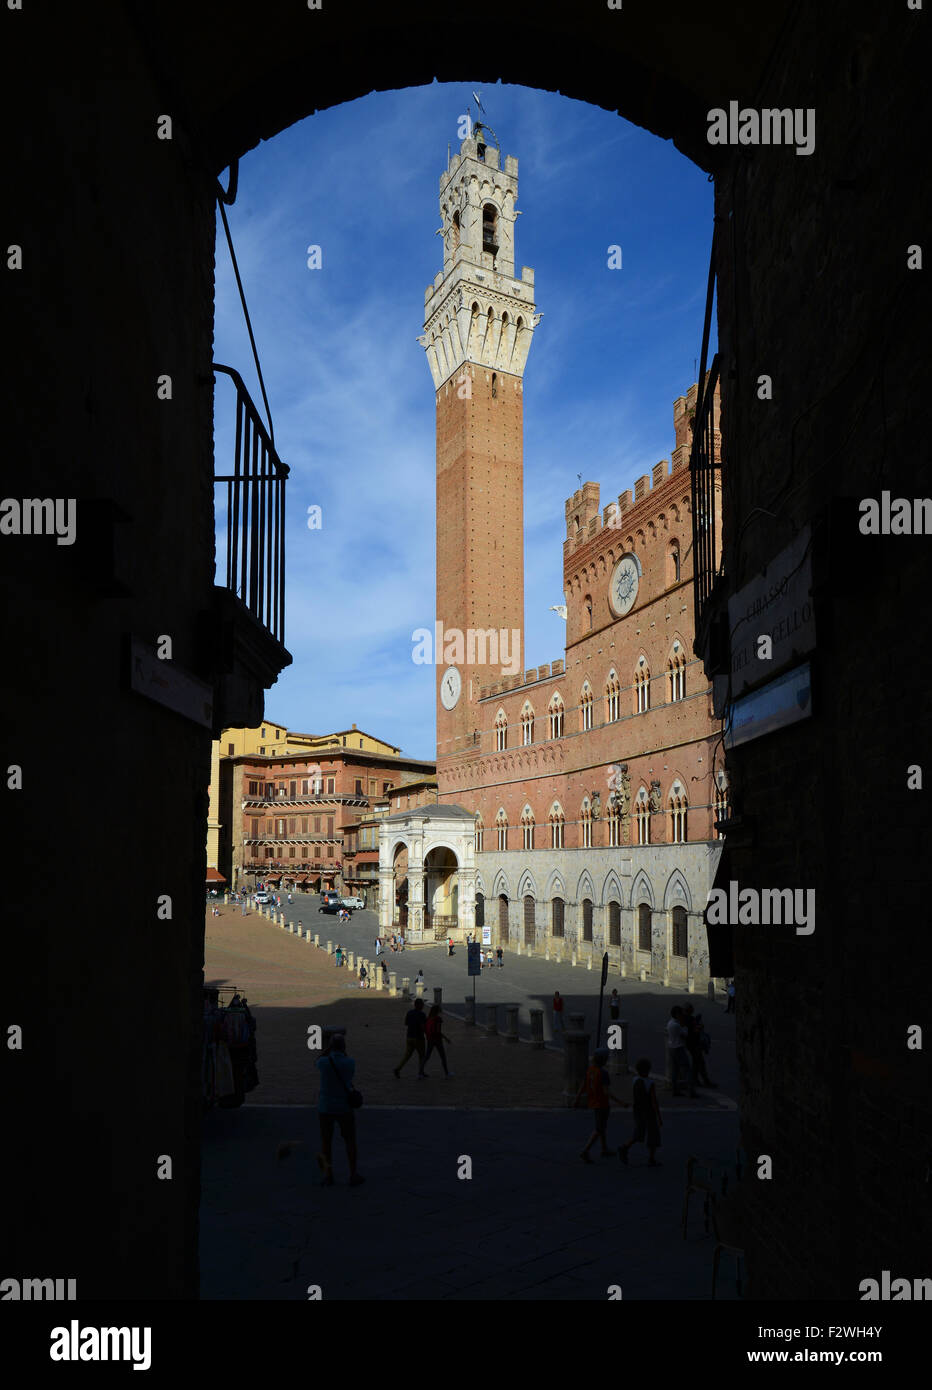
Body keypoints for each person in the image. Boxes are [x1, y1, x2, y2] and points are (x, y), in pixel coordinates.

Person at [315, 1033, 363, 1187]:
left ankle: (329, 1176)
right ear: (344, 1047)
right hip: (344, 1107)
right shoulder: (350, 1062)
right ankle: (353, 1174)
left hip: (326, 1106)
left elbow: (317, 1061)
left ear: (331, 1047)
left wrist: (327, 1049)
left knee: (326, 1143)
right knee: (350, 1141)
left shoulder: (323, 1062)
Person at [574, 1046, 626, 1162]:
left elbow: (583, 1085)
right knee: (599, 1128)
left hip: (593, 1101)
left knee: (602, 1126)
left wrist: (577, 1098)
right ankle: (585, 1151)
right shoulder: (603, 1073)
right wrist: (620, 1102)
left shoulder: (590, 1070)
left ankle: (604, 1148)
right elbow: (606, 1091)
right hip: (602, 1103)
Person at [618, 1058, 662, 1167]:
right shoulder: (650, 1083)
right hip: (649, 1112)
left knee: (638, 1133)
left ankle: (625, 1147)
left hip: (638, 1111)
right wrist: (659, 1116)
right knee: (653, 1135)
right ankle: (651, 1158)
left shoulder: (635, 1080)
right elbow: (653, 1101)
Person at [393, 996, 428, 1079]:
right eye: (422, 1005)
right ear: (419, 1005)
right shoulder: (422, 1014)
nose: (423, 1006)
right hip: (418, 1037)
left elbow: (406, 1023)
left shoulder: (409, 1013)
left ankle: (398, 1068)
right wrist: (426, 1034)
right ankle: (421, 1072)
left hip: (409, 1037)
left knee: (407, 1055)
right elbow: (423, 1026)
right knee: (422, 1056)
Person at [683, 1003, 716, 1088]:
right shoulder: (690, 1019)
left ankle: (696, 1080)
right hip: (694, 1044)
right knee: (700, 1063)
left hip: (690, 1044)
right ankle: (703, 1081)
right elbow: (695, 1031)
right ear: (690, 1010)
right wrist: (700, 1027)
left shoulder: (685, 1019)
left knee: (696, 1062)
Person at [666, 1006, 696, 1097]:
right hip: (678, 1048)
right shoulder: (677, 1025)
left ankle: (675, 1090)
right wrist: (685, 1027)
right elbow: (684, 1035)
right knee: (687, 1069)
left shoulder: (670, 1023)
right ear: (677, 1014)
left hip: (671, 1047)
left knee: (675, 1070)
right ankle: (691, 1091)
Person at [423, 1004, 454, 1078]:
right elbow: (438, 1031)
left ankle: (420, 1072)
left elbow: (425, 1029)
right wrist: (446, 1038)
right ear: (438, 1011)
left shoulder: (428, 1018)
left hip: (430, 1039)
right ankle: (447, 1073)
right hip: (437, 1040)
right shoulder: (438, 1019)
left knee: (427, 1056)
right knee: (443, 1056)